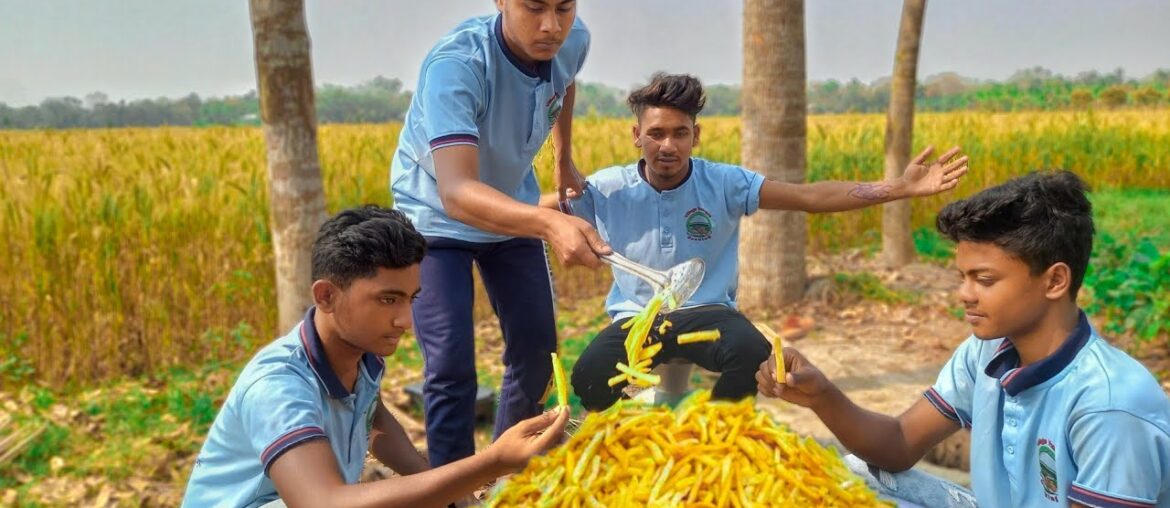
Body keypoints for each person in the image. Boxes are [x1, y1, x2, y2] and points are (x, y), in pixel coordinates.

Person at [554, 73, 969, 411]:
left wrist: (898, 187)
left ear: (695, 136)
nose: (668, 145)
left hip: (708, 312)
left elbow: (809, 197)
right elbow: (543, 210)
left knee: (752, 352)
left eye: (680, 133)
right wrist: (545, 222)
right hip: (635, 320)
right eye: (656, 133)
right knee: (588, 380)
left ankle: (714, 443)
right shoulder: (608, 187)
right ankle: (629, 445)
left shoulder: (725, 182)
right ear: (636, 136)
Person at [757, 171, 1170, 507]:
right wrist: (822, 395)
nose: (964, 294)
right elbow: (899, 443)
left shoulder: (1110, 406)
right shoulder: (986, 352)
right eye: (962, 277)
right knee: (843, 476)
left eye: (984, 280)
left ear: (1055, 280)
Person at [182, 206, 569, 508]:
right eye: (388, 299)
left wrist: (456, 494)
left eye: (411, 299)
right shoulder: (279, 387)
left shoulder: (359, 356)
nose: (405, 320)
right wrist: (492, 462)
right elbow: (321, 502)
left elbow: (376, 420)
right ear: (326, 296)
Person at [389, 0, 611, 468]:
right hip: (437, 216)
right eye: (534, 8)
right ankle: (453, 489)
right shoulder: (457, 66)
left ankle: (505, 474)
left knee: (537, 349)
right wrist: (551, 222)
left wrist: (562, 155)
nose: (551, 26)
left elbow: (564, 83)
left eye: (564, 8)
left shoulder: (574, 39)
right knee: (450, 365)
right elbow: (457, 191)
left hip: (511, 203)